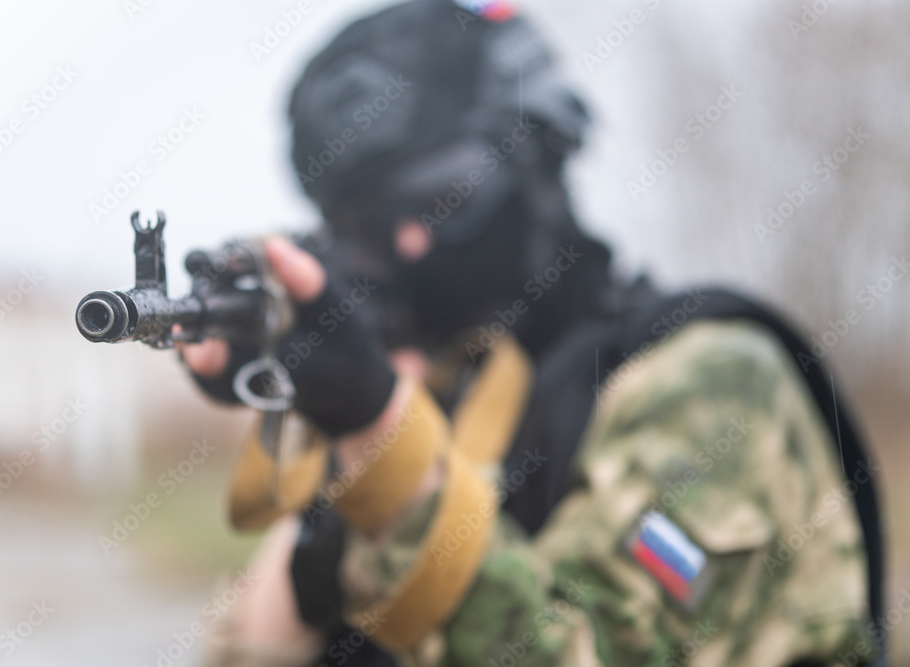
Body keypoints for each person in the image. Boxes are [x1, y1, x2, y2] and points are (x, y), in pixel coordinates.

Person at [177, 0, 886, 664]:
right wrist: (331, 441)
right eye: (369, 227)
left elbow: (590, 646)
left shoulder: (709, 376)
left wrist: (379, 435)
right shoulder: (447, 392)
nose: (412, 245)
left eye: (444, 199)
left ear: (535, 157)